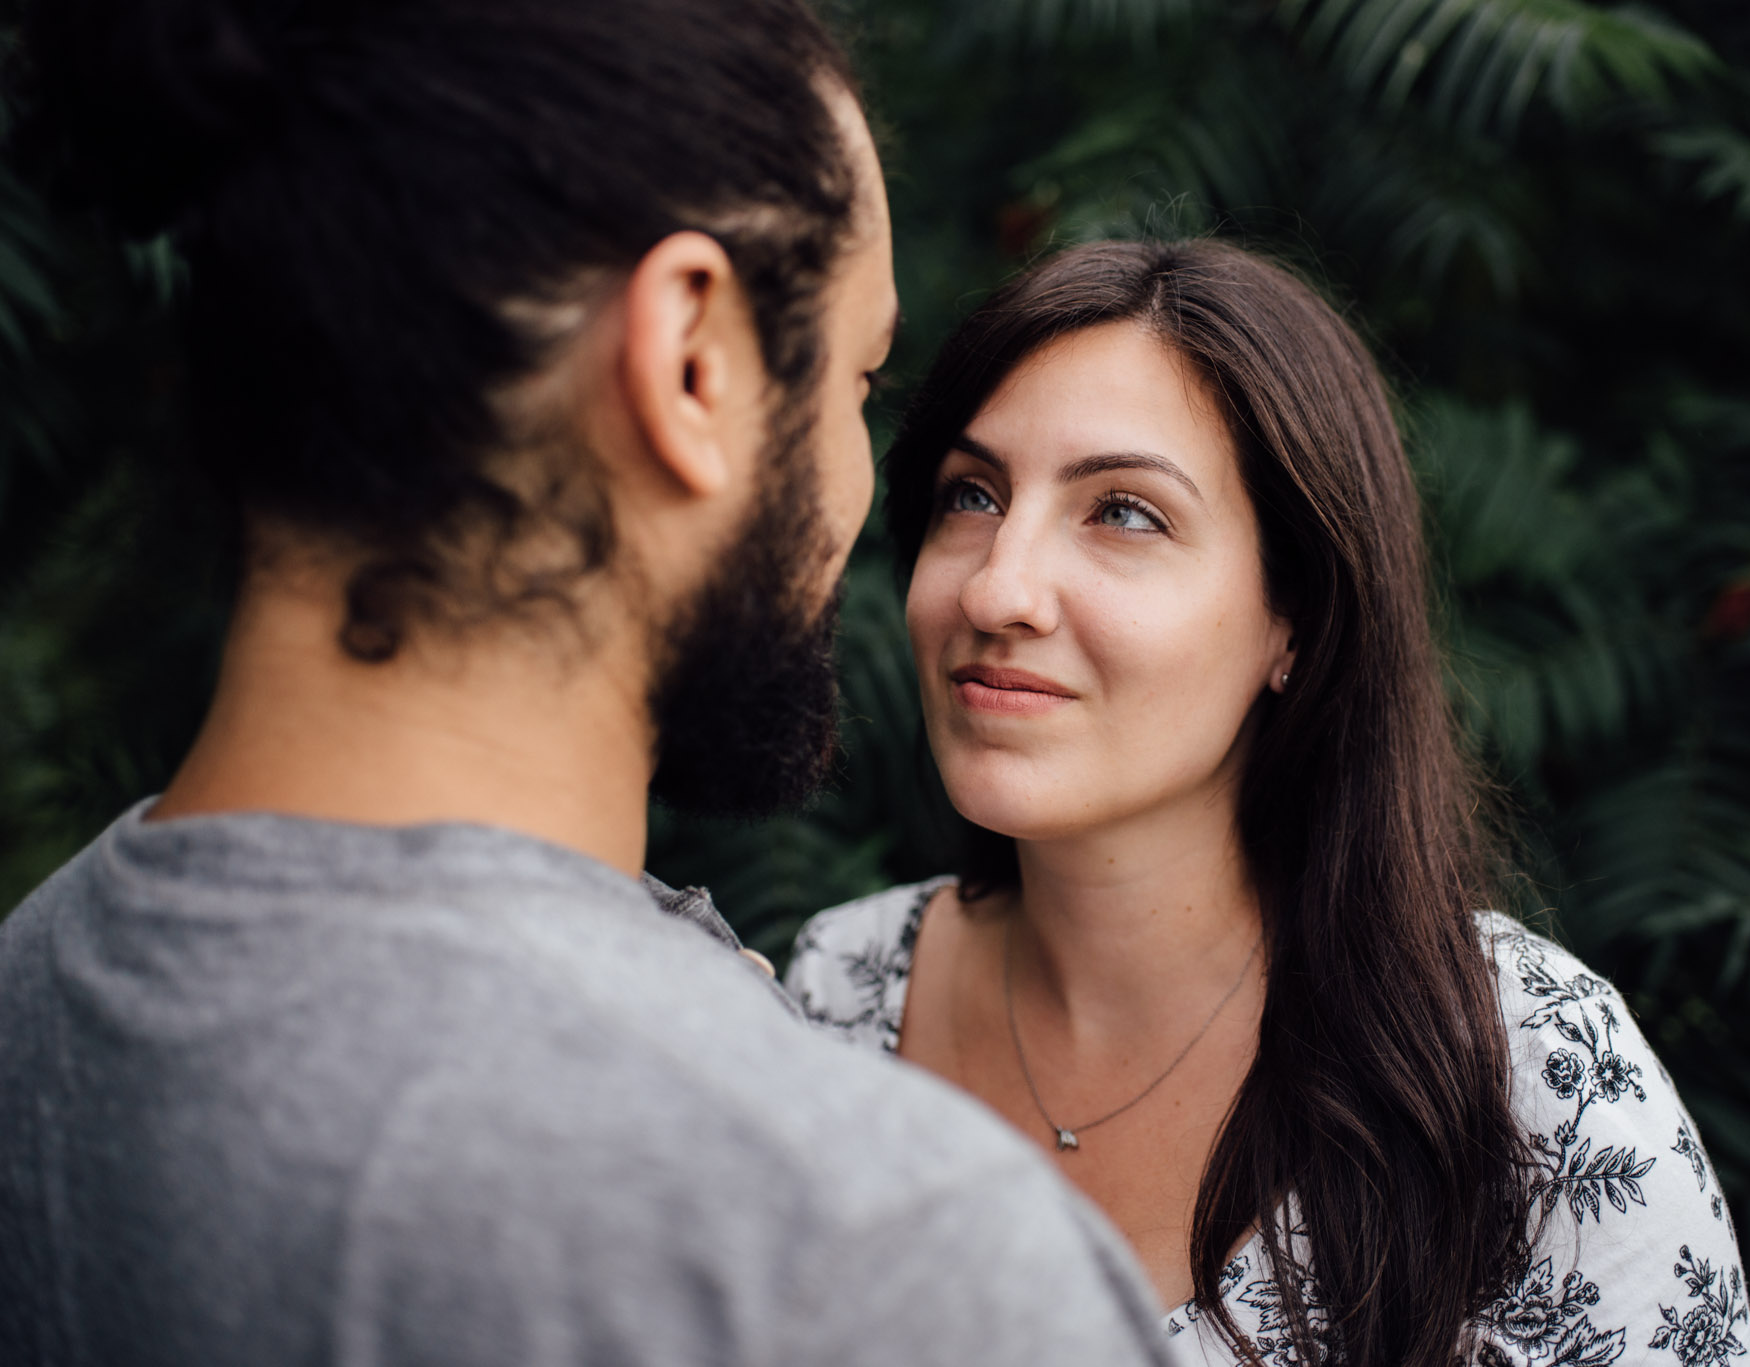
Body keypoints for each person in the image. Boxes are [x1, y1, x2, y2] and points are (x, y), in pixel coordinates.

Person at [0, 4, 1175, 1365]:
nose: (867, 493)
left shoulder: (34, 994)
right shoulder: (870, 1254)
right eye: (856, 383)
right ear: (692, 359)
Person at [786, 239, 1750, 1367]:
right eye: (972, 494)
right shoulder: (835, 999)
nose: (996, 585)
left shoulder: (1526, 1078)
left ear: (1290, 620)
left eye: (1123, 513)